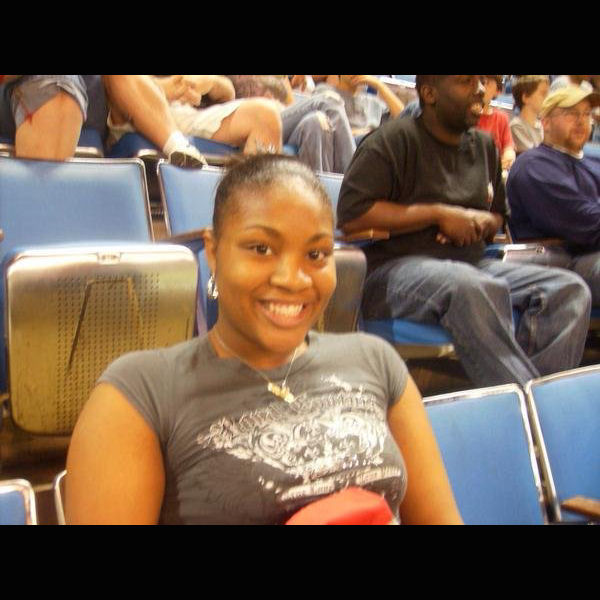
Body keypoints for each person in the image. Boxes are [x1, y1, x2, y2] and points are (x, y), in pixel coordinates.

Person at [65, 154, 463, 525]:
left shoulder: (374, 360)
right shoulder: (140, 393)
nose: (293, 279)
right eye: (261, 248)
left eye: (316, 254)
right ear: (213, 252)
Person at [337, 75, 591, 389]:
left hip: (471, 263)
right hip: (394, 271)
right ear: (429, 93)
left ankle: (529, 397)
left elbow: (498, 217)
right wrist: (439, 215)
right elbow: (352, 215)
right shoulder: (391, 140)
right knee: (472, 286)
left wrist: (481, 222)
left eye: (481, 82)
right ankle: (534, 406)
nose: (480, 91)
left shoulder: (484, 146)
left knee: (569, 291)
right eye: (465, 82)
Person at [506, 85, 600, 306]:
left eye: (586, 114)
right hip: (559, 261)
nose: (581, 121)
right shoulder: (533, 165)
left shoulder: (593, 162)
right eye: (571, 114)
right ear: (546, 122)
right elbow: (584, 222)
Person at [0, 75, 206, 166]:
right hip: (23, 86)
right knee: (56, 88)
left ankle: (178, 147)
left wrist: (158, 87)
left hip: (96, 97)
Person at [108, 75, 283, 156]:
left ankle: (254, 212)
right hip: (135, 110)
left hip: (186, 113)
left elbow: (228, 92)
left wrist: (212, 82)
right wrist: (162, 88)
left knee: (266, 115)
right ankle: (178, 148)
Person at [228, 75, 356, 173]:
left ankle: (321, 196)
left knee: (314, 121)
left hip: (281, 117)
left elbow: (289, 103)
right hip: (252, 122)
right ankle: (354, 176)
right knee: (329, 99)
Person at [314, 75, 405, 137]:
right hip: (347, 150)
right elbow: (324, 131)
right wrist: (363, 134)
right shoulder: (325, 92)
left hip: (372, 151)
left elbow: (405, 119)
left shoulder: (373, 102)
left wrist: (380, 85)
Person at [477, 75, 515, 172]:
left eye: (487, 83)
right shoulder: (467, 117)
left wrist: (509, 155)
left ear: (497, 91)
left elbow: (508, 147)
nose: (482, 88)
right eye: (480, 82)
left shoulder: (501, 118)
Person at [509, 75, 550, 155]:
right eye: (543, 94)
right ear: (525, 98)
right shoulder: (516, 126)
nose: (547, 98)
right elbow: (533, 155)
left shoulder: (541, 126)